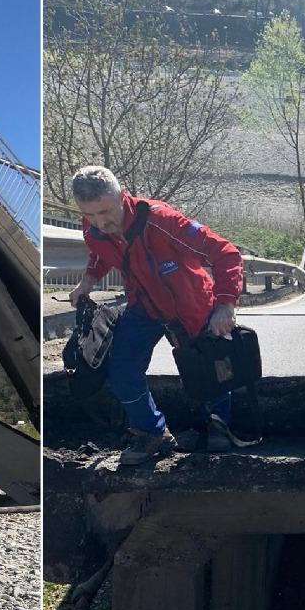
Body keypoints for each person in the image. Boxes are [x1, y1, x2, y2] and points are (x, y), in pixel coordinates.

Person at [66, 165, 244, 465]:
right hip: (144, 306)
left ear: (122, 196)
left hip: (190, 305)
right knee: (122, 371)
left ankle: (218, 425)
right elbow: (99, 252)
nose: (101, 222)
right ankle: (152, 432)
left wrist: (225, 305)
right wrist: (87, 281)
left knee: (207, 370)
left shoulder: (161, 221)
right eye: (91, 215)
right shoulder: (92, 228)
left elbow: (226, 253)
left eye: (106, 212)